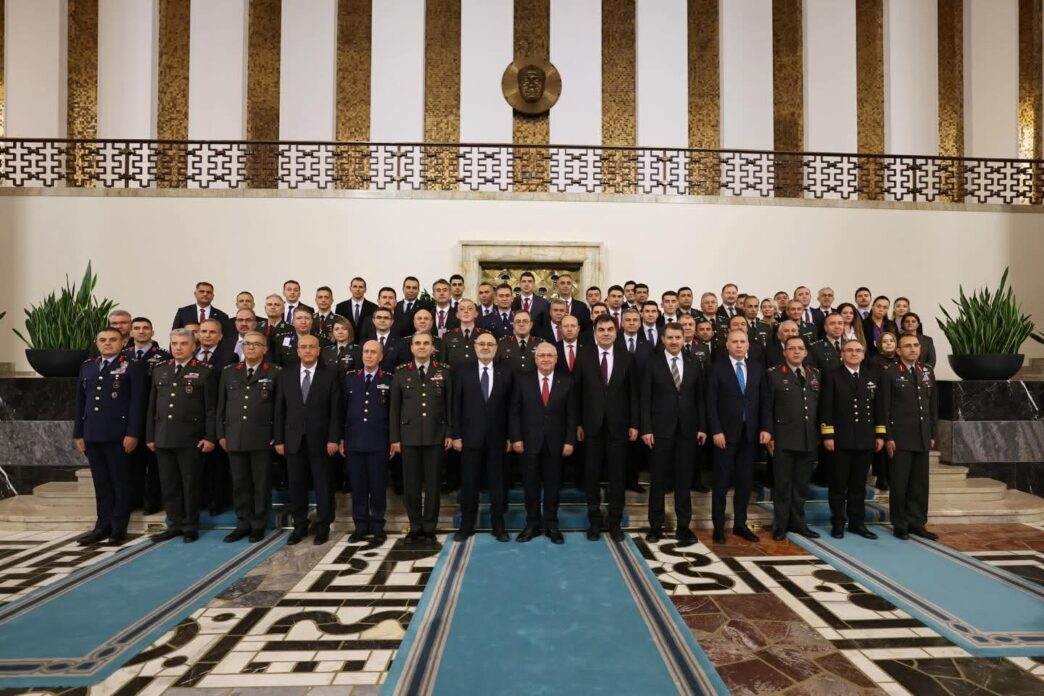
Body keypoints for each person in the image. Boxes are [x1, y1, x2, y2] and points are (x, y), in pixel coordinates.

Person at [73, 328, 147, 545]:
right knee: (101, 483)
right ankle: (102, 525)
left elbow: (137, 403)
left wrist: (133, 433)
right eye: (103, 340)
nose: (107, 343)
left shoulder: (132, 366)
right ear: (97, 343)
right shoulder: (88, 366)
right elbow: (80, 402)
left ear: (123, 342)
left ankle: (118, 527)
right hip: (92, 434)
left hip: (119, 434)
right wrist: (79, 433)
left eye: (113, 339)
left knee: (120, 482)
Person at [146, 328, 217, 543]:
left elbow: (211, 409)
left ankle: (190, 526)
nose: (178, 347)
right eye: (174, 344)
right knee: (169, 485)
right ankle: (174, 523)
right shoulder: (161, 370)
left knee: (190, 484)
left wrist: (210, 436)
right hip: (163, 437)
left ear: (194, 346)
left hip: (191, 439)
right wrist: (150, 436)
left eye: (183, 343)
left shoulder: (205, 371)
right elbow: (152, 406)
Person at [640, 323, 706, 546]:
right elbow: (645, 399)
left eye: (678, 337)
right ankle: (655, 527)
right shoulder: (652, 363)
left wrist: (702, 426)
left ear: (684, 338)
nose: (674, 341)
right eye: (670, 337)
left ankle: (684, 527)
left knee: (684, 481)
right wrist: (646, 428)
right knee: (658, 481)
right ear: (663, 339)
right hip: (659, 431)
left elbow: (700, 398)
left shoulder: (693, 362)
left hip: (687, 431)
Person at [274, 334, 342, 545]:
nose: (308, 350)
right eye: (303, 347)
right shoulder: (285, 375)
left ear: (318, 350)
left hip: (322, 440)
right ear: (298, 351)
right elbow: (279, 410)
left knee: (323, 485)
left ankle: (323, 525)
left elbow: (336, 410)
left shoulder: (330, 374)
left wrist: (334, 438)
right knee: (296, 485)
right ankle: (300, 525)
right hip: (293, 440)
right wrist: (279, 439)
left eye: (312, 347)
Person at [575, 315, 638, 542]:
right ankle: (594, 521)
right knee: (591, 475)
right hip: (591, 426)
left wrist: (634, 423)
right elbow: (577, 392)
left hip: (619, 427)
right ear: (595, 332)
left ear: (616, 331)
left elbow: (634, 394)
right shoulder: (583, 356)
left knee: (617, 476)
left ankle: (615, 522)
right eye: (601, 329)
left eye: (610, 329)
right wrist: (578, 423)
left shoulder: (627, 357)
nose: (605, 333)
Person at [706, 330, 771, 544]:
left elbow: (765, 401)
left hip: (750, 435)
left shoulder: (757, 368)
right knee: (722, 483)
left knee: (744, 482)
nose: (739, 345)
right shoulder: (716, 368)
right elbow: (710, 403)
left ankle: (740, 525)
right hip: (724, 435)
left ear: (748, 345)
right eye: (734, 341)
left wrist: (766, 428)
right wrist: (716, 430)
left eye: (743, 341)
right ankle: (718, 527)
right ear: (727, 345)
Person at [217, 331, 281, 543]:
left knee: (261, 484)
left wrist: (276, 435)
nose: (251, 347)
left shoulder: (274, 372)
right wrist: (221, 434)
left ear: (265, 349)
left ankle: (258, 525)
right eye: (247, 344)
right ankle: (243, 523)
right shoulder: (229, 372)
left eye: (256, 344)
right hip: (234, 436)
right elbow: (221, 406)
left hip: (262, 437)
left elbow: (279, 408)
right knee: (240, 484)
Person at [510, 342, 577, 544]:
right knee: (530, 486)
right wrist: (516, 438)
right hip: (529, 442)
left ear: (556, 359)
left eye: (550, 356)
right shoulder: (522, 380)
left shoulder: (567, 381)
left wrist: (570, 441)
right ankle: (532, 524)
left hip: (556, 443)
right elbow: (514, 412)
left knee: (553, 486)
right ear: (535, 359)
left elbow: (572, 415)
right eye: (542, 355)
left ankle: (552, 525)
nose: (546, 359)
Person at [389, 332, 453, 544]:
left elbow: (450, 405)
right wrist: (395, 439)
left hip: (436, 436)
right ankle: (415, 526)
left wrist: (450, 432)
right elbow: (394, 409)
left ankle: (429, 527)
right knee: (411, 486)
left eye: (426, 343)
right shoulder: (401, 372)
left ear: (433, 347)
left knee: (433, 485)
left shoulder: (444, 371)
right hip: (409, 437)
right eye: (418, 343)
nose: (422, 347)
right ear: (412, 347)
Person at [876, 334, 939, 541]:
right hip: (900, 437)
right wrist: (888, 436)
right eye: (907, 346)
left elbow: (932, 406)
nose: (913, 349)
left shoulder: (926, 371)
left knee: (920, 484)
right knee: (900, 484)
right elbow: (884, 408)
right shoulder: (890, 372)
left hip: (922, 435)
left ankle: (917, 522)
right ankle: (900, 523)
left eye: (916, 345)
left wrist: (932, 433)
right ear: (898, 351)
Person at [452, 332, 514, 542]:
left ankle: (498, 525)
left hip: (498, 439)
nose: (486, 347)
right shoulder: (463, 371)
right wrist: (456, 435)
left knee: (498, 484)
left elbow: (512, 407)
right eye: (482, 344)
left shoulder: (506, 371)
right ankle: (466, 525)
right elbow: (456, 406)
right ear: (475, 346)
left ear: (496, 348)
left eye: (490, 344)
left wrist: (510, 436)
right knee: (469, 483)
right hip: (469, 438)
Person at [820, 339, 880, 540]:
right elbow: (826, 407)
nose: (854, 353)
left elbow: (878, 407)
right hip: (840, 439)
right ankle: (838, 523)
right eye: (849, 350)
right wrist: (828, 434)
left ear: (863, 354)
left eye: (858, 350)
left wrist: (880, 434)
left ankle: (857, 523)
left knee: (858, 485)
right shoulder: (832, 375)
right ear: (842, 354)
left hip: (865, 438)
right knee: (838, 485)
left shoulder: (872, 375)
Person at [765, 337, 821, 540]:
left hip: (808, 438)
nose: (796, 352)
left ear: (806, 353)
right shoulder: (773, 374)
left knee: (801, 485)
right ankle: (780, 525)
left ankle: (798, 523)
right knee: (783, 484)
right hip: (783, 438)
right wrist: (769, 434)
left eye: (800, 348)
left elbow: (818, 405)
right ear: (784, 352)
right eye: (792, 348)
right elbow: (768, 406)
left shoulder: (814, 374)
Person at [341, 340, 393, 544]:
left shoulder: (389, 379)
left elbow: (393, 413)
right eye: (366, 352)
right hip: (354, 441)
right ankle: (360, 526)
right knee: (358, 486)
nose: (369, 355)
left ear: (381, 356)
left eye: (373, 352)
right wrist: (341, 438)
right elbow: (341, 411)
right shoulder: (350, 379)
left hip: (379, 441)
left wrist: (393, 440)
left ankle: (378, 525)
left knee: (378, 486)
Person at [123, 317, 171, 513]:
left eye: (145, 328)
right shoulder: (123, 355)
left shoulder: (163, 356)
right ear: (131, 332)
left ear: (152, 332)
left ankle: (153, 502)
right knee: (131, 463)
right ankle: (134, 500)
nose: (141, 331)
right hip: (128, 417)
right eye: (137, 328)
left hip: (155, 416)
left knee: (155, 464)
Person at [868, 331, 898, 491]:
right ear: (879, 344)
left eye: (891, 341)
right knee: (882, 443)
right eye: (885, 341)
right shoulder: (874, 361)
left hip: (897, 406)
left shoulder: (899, 360)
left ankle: (894, 477)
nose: (888, 343)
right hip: (880, 405)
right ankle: (882, 478)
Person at [441, 299, 487, 366]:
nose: (466, 311)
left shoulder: (485, 335)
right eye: (462, 309)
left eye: (470, 308)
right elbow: (443, 363)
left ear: (476, 314)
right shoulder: (448, 336)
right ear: (457, 315)